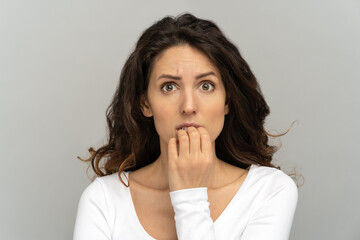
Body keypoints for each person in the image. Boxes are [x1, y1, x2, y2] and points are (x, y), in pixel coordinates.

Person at [73, 13, 298, 240]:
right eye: (169, 87)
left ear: (227, 101)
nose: (188, 106)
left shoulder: (269, 191)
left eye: (206, 86)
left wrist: (190, 196)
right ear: (145, 103)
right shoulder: (103, 200)